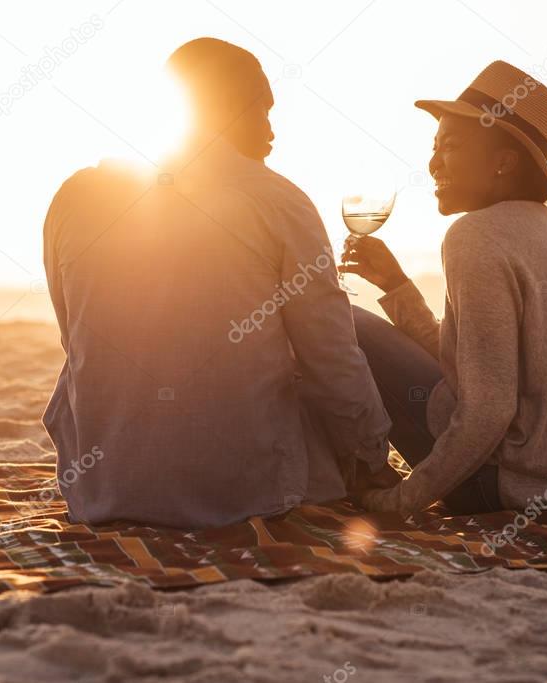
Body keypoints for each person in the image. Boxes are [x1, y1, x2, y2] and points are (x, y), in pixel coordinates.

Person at [41, 37, 393, 528]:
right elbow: (331, 357)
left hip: (104, 490)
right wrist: (374, 461)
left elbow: (71, 334)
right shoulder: (278, 201)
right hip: (251, 492)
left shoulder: (72, 197)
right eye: (260, 110)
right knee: (347, 340)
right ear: (222, 107)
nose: (272, 130)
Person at [342, 61, 547, 518]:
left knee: (346, 323)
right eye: (434, 146)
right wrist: (396, 286)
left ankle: (329, 473)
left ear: (504, 162)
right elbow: (477, 363)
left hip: (503, 488)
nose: (434, 163)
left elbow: (488, 410)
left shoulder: (475, 235)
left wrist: (401, 501)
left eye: (452, 147)